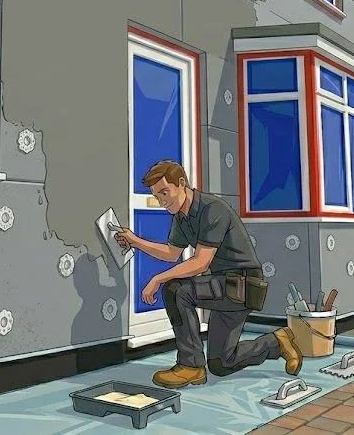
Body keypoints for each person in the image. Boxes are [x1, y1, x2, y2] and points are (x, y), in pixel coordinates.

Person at [113, 160, 303, 389]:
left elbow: (201, 263)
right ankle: (276, 342)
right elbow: (172, 253)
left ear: (181, 183)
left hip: (242, 285)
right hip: (224, 286)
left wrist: (157, 279)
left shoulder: (212, 209)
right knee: (222, 363)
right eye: (157, 196)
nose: (162, 202)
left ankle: (190, 366)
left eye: (165, 193)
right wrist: (135, 241)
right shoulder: (181, 217)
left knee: (176, 290)